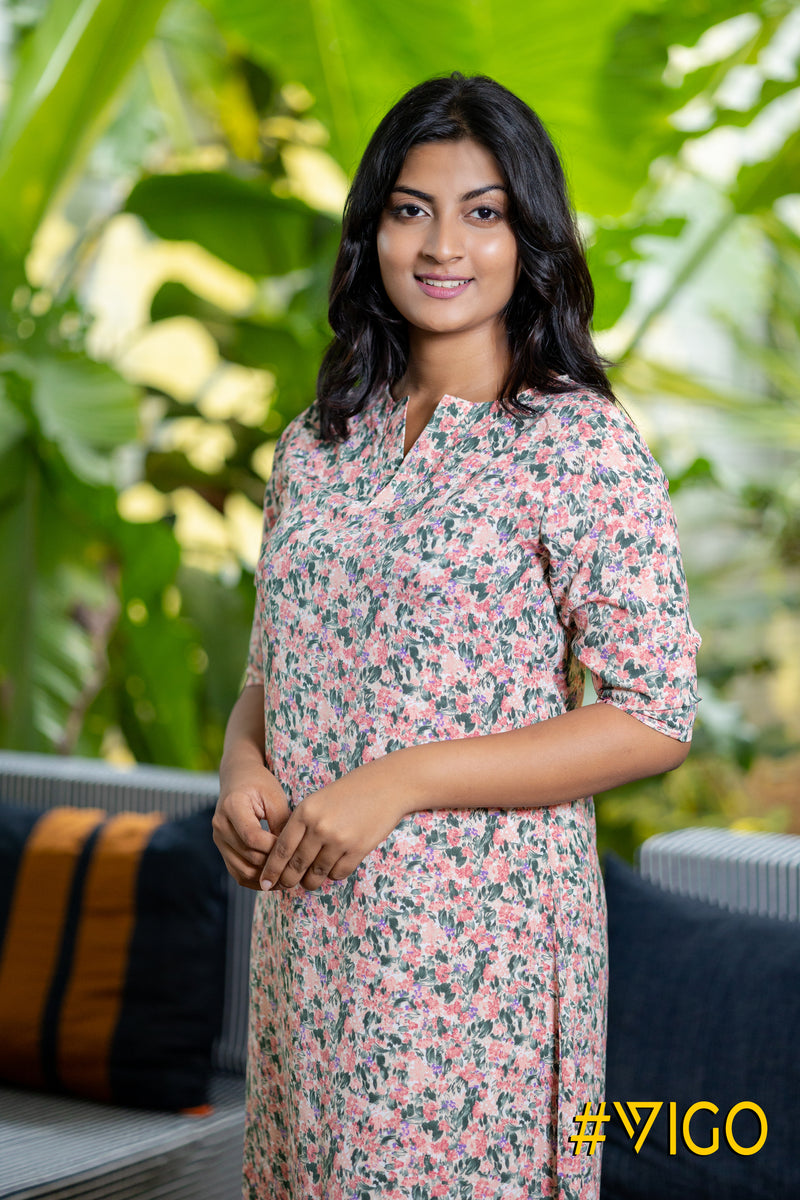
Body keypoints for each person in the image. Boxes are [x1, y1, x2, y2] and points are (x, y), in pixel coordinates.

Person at [213, 72, 701, 1200]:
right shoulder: (315, 445)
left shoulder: (576, 446)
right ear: (371, 229)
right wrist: (241, 760)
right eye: (409, 208)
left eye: (482, 212)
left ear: (527, 235)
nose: (443, 244)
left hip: (476, 957)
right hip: (310, 943)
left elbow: (652, 713)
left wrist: (400, 781)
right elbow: (270, 667)